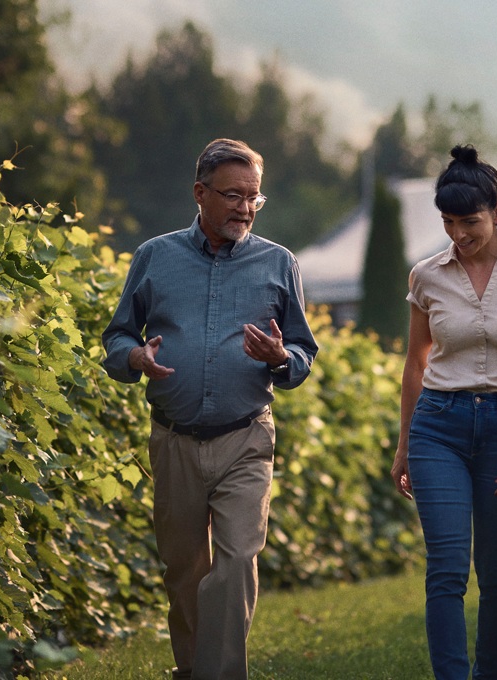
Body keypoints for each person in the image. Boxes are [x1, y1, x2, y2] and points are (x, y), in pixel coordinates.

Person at [101, 139, 318, 680]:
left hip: (245, 438)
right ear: (200, 193)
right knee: (185, 573)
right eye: (233, 195)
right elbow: (118, 335)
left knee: (237, 561)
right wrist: (134, 356)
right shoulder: (155, 256)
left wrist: (280, 357)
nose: (245, 207)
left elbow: (303, 351)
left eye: (254, 197)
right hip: (173, 440)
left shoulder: (278, 263)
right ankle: (196, 670)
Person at [390, 145, 497, 680]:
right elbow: (416, 364)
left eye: (469, 222)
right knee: (445, 569)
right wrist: (403, 445)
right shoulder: (427, 276)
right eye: (447, 222)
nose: (458, 234)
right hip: (437, 428)